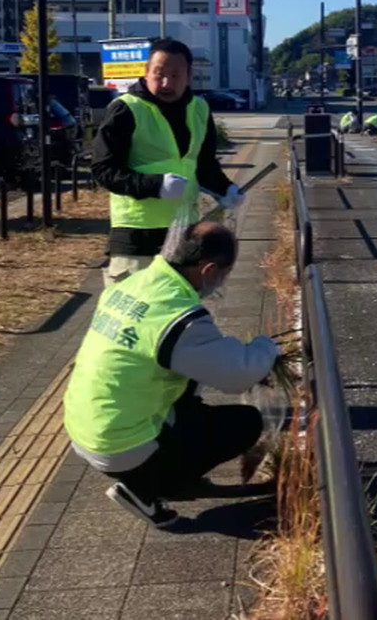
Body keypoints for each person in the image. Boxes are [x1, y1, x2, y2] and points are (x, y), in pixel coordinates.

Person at [63, 221, 282, 528]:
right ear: (208, 271)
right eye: (225, 273)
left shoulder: (132, 284)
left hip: (85, 427)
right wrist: (265, 347)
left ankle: (158, 469)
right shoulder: (178, 317)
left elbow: (201, 359)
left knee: (190, 389)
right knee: (245, 423)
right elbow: (236, 375)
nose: (222, 282)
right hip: (121, 443)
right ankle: (147, 487)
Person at [92, 39, 242, 286]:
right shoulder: (125, 109)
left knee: (175, 313)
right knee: (134, 315)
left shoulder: (199, 109)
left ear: (189, 76)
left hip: (185, 235)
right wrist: (155, 185)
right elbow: (103, 170)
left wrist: (225, 189)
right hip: (136, 236)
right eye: (158, 74)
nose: (166, 83)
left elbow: (203, 164)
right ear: (146, 72)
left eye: (175, 75)